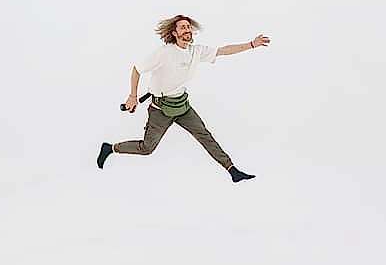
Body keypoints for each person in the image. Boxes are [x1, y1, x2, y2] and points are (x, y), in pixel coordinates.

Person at [97, 14, 269, 182]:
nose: (187, 30)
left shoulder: (196, 51)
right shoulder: (164, 53)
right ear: (174, 33)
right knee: (147, 148)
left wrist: (251, 44)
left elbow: (223, 51)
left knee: (204, 135)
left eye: (188, 27)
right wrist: (132, 96)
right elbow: (137, 69)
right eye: (182, 27)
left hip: (182, 106)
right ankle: (110, 148)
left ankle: (232, 170)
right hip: (160, 110)